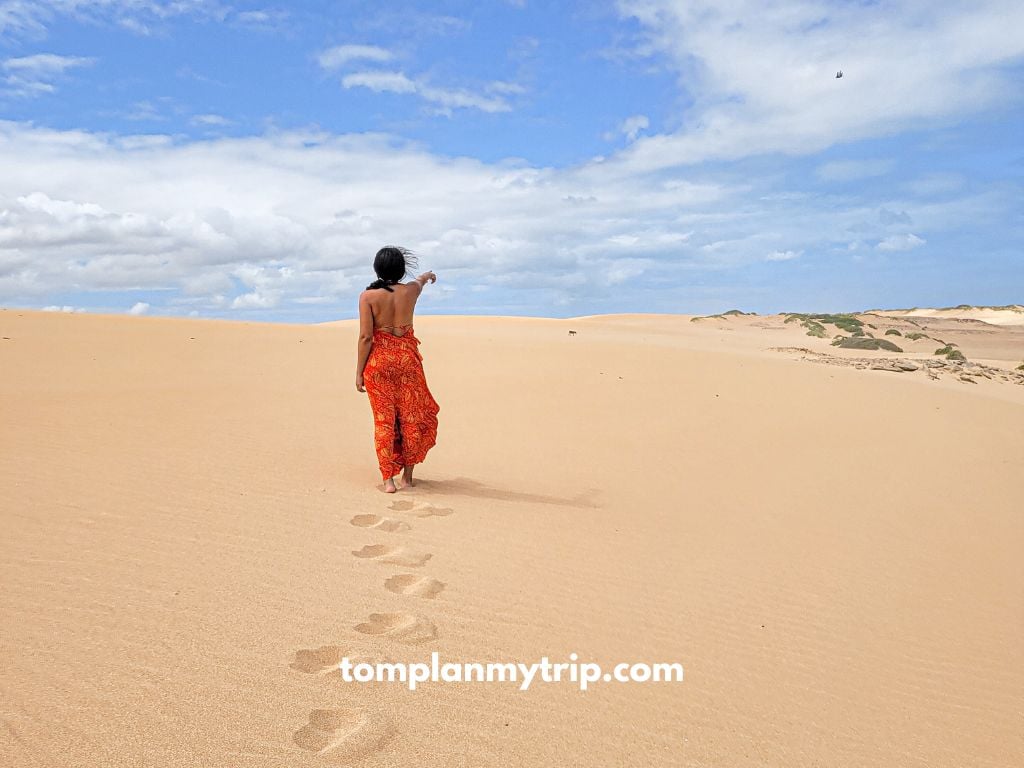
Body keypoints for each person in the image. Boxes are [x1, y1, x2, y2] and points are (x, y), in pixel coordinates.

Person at [355, 246, 440, 493]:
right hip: (407, 362)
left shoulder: (367, 297)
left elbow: (365, 338)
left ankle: (388, 481)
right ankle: (407, 478)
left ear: (377, 269)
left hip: (379, 364)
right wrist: (426, 276)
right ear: (402, 269)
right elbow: (419, 282)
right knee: (410, 417)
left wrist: (359, 371)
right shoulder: (411, 291)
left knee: (384, 421)